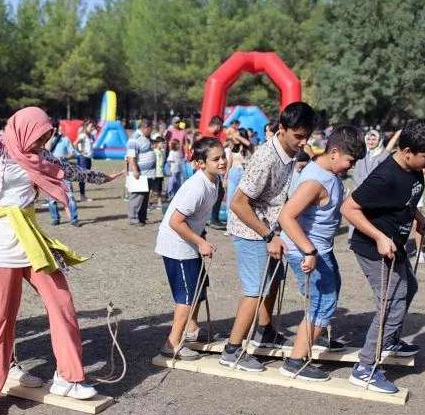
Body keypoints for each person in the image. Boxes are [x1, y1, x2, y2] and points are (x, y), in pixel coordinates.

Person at [0, 107, 122, 411]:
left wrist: (103, 178)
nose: (41, 144)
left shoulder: (41, 157)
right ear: (23, 130)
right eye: (37, 137)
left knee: (62, 303)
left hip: (29, 238)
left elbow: (70, 171)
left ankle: (68, 377)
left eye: (45, 138)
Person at [341, 119, 425, 394]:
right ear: (408, 151)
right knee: (392, 302)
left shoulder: (413, 168)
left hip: (394, 246)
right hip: (373, 249)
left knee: (410, 287)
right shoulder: (384, 176)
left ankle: (391, 341)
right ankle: (364, 368)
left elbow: (406, 201)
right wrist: (378, 237)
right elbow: (349, 208)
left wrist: (418, 218)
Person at [220, 102, 318, 372]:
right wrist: (267, 236)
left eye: (307, 136)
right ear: (282, 129)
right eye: (298, 136)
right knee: (255, 290)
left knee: (274, 280)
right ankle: (232, 349)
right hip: (251, 231)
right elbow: (238, 204)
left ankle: (265, 331)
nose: (304, 142)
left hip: (269, 229)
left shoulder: (291, 150)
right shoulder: (266, 159)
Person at [278, 126, 366, 381]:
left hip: (320, 248)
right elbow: (286, 216)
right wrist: (309, 251)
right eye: (350, 161)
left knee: (329, 292)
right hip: (306, 249)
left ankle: (315, 340)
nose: (350, 167)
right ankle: (295, 361)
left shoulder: (324, 172)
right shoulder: (316, 181)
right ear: (335, 152)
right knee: (322, 302)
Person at [155, 137, 226, 360]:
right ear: (201, 163)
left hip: (190, 242)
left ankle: (193, 330)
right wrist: (200, 242)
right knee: (186, 295)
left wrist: (200, 237)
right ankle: (172, 343)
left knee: (198, 288)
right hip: (177, 245)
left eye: (223, 156)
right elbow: (176, 221)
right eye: (216, 159)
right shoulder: (196, 187)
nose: (222, 161)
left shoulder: (215, 182)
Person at [46, 121, 80, 226]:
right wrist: (50, 138)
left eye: (55, 128)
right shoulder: (46, 140)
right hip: (50, 172)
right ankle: (55, 218)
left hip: (64, 171)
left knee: (70, 196)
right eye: (52, 128)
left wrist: (64, 157)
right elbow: (46, 151)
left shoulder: (65, 139)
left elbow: (72, 153)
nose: (54, 130)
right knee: (51, 198)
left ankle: (74, 219)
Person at [126, 119, 156, 226]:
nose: (152, 131)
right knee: (137, 197)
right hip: (139, 173)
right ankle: (133, 218)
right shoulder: (134, 138)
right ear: (146, 127)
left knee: (145, 197)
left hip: (148, 173)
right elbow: (131, 156)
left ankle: (142, 217)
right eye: (151, 129)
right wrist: (135, 170)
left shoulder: (146, 137)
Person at [205, 116, 227, 230]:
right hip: (208, 172)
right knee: (217, 194)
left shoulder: (210, 136)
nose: (221, 129)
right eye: (221, 127)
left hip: (212, 172)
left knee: (218, 193)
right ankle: (213, 219)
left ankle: (212, 218)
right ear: (217, 125)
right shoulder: (207, 136)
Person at [74, 119, 95, 202]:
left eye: (93, 127)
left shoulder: (89, 135)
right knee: (83, 177)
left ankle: (82, 195)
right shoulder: (83, 135)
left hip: (88, 158)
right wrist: (80, 152)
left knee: (85, 177)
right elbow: (75, 143)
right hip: (83, 158)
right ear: (86, 126)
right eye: (91, 127)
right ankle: (82, 196)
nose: (92, 128)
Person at [151, 134, 166, 207]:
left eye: (164, 143)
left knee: (159, 189)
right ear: (157, 143)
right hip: (156, 174)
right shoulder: (155, 152)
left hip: (160, 173)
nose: (163, 145)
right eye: (162, 143)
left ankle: (159, 203)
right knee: (152, 189)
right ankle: (147, 202)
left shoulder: (161, 151)